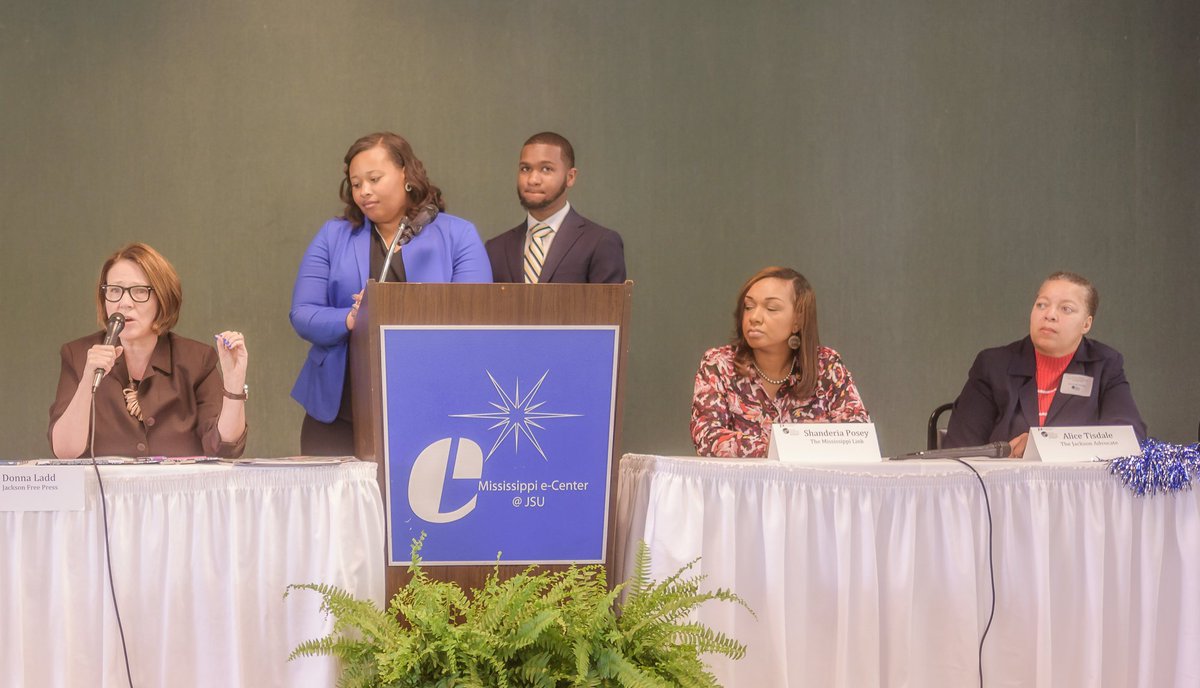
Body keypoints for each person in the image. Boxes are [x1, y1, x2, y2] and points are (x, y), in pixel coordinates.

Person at [291, 132, 492, 455]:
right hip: (339, 411)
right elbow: (302, 313)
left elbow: (477, 317)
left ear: (406, 175)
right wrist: (351, 318)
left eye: (374, 178)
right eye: (356, 183)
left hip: (434, 408)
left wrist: (395, 310)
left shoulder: (458, 235)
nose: (364, 191)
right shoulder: (333, 235)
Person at [48, 243, 248, 458]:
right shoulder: (78, 355)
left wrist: (234, 386)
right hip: (104, 491)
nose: (124, 303)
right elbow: (65, 452)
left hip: (176, 491)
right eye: (115, 290)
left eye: (139, 291)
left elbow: (224, 448)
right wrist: (88, 378)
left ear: (162, 298)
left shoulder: (197, 360)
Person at [944, 271, 1147, 457]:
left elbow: (1128, 439)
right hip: (1002, 491)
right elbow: (960, 448)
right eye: (1042, 304)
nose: (1049, 314)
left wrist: (1039, 445)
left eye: (1066, 309)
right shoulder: (993, 365)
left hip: (1075, 492)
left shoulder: (1104, 365)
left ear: (1086, 324)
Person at [691, 267, 870, 458]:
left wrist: (788, 447)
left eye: (771, 309)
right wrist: (786, 447)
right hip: (744, 487)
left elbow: (858, 433)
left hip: (810, 486)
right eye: (749, 307)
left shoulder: (826, 365)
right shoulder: (719, 363)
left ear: (798, 321)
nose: (754, 318)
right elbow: (707, 436)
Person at [485, 132, 626, 284]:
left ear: (570, 177)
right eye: (525, 169)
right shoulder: (495, 249)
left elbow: (608, 307)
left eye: (546, 169)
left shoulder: (600, 242)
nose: (533, 180)